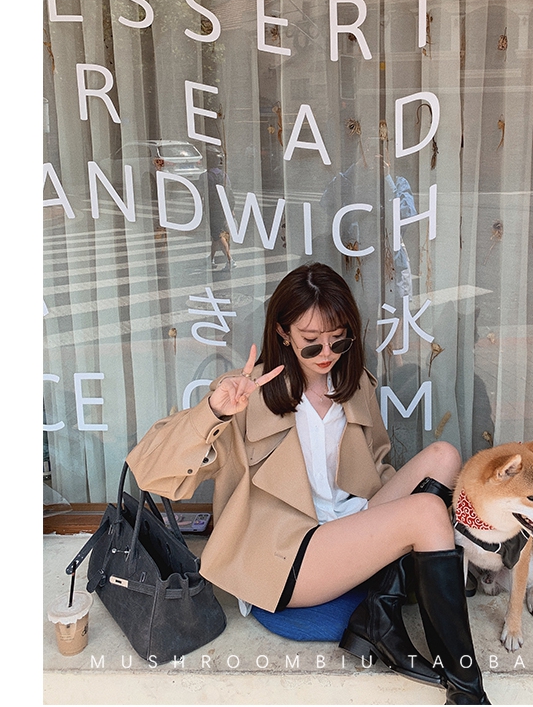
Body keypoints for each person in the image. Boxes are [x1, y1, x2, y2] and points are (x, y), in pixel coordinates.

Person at [126, 263, 490, 705]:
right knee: (428, 513)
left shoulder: (354, 384)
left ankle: (380, 608)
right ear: (283, 333)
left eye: (339, 339)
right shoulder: (247, 396)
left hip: (347, 525)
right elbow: (153, 473)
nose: (326, 352)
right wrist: (214, 412)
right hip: (287, 554)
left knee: (444, 456)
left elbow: (378, 466)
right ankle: (467, 690)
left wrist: (386, 529)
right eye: (311, 341)